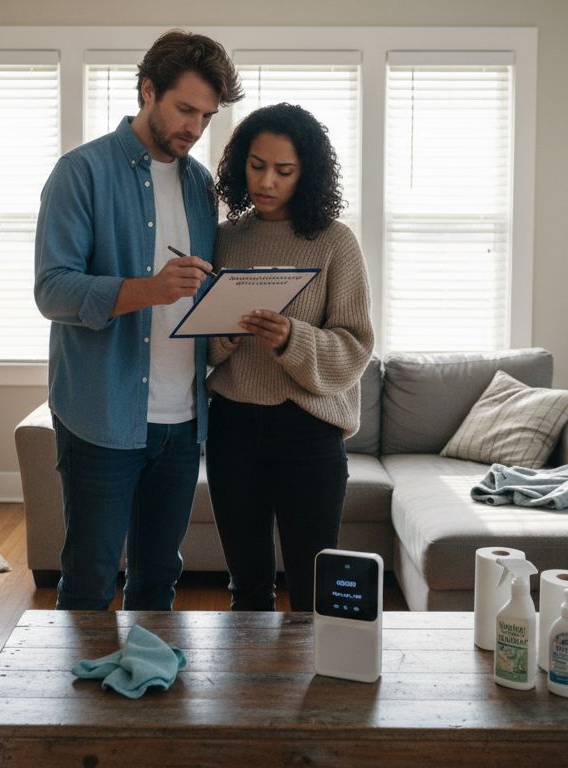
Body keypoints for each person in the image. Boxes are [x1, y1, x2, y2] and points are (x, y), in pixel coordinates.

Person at [33, 30, 243, 610]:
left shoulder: (201, 187)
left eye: (206, 116)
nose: (195, 128)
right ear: (148, 89)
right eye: (185, 109)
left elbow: (198, 295)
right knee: (89, 581)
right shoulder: (81, 173)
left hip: (183, 421)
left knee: (157, 580)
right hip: (101, 416)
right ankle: (84, 676)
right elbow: (52, 291)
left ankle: (147, 672)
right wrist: (148, 290)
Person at [206, 103, 375, 612]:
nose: (267, 182)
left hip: (309, 430)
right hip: (232, 426)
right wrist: (224, 334)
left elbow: (356, 347)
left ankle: (313, 668)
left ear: (308, 174)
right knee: (247, 587)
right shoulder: (225, 239)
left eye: (284, 170)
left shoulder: (335, 242)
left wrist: (290, 339)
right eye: (257, 165)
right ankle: (249, 668)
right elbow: (199, 346)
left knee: (312, 590)